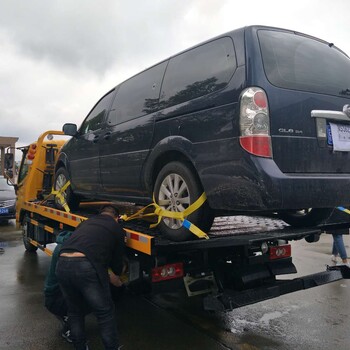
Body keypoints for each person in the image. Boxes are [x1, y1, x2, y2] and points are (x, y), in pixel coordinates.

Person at [56, 205, 126, 350]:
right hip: (85, 266)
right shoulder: (116, 227)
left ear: (100, 214)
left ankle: (80, 347)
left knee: (75, 312)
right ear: (117, 218)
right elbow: (117, 260)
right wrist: (117, 275)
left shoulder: (86, 222)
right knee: (104, 312)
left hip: (62, 263)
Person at [44, 230, 74, 343]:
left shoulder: (64, 245)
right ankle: (70, 327)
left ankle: (67, 316)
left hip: (54, 295)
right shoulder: (71, 251)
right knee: (96, 298)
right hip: (57, 298)